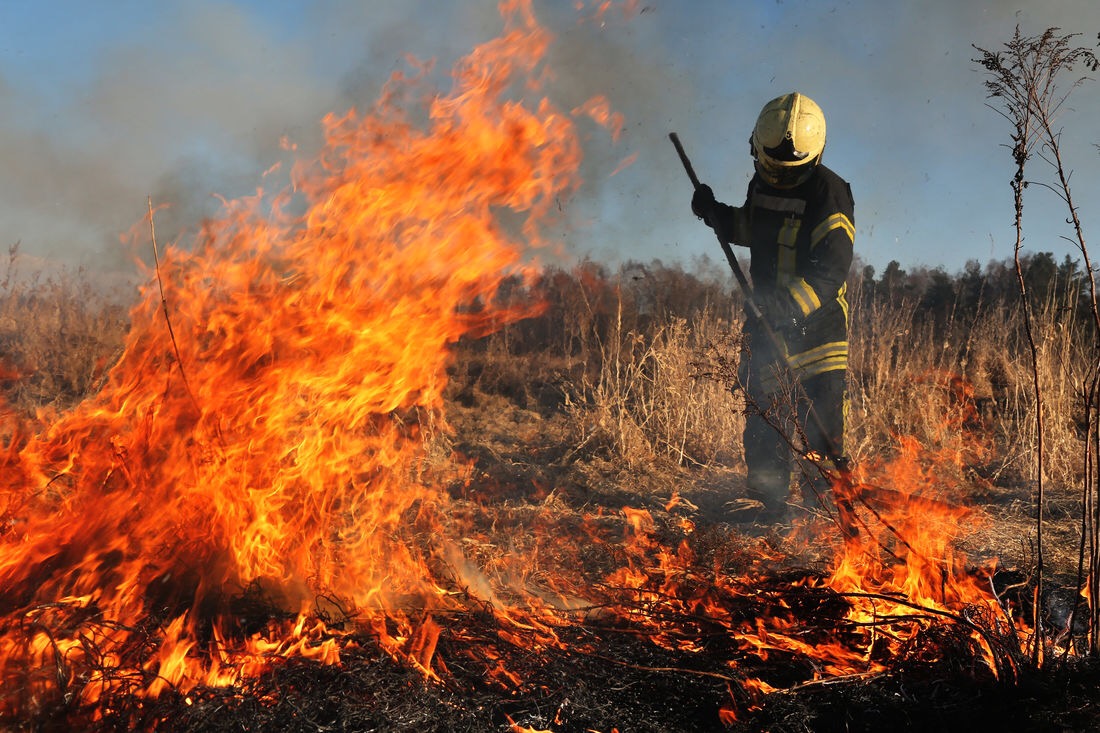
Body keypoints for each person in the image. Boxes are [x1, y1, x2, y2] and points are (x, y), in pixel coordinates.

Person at [690, 92, 854, 524]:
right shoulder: (760, 185)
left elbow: (829, 273)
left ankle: (823, 521)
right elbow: (752, 228)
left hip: (817, 333)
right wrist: (716, 215)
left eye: (788, 172)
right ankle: (767, 514)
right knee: (764, 422)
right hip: (765, 328)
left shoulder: (830, 194)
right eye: (770, 168)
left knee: (818, 429)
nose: (776, 178)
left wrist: (782, 309)